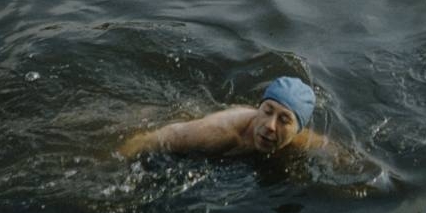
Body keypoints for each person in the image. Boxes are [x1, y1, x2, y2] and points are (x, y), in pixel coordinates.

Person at [118, 76, 326, 160]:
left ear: (298, 129)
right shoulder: (218, 132)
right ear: (259, 108)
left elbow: (334, 152)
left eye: (284, 119)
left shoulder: (298, 138)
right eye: (268, 111)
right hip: (169, 123)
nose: (271, 126)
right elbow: (147, 140)